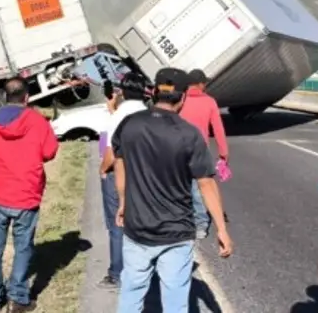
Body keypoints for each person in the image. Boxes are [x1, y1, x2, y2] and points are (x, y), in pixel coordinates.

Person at [112, 67, 233, 312]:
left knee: (131, 293)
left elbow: (119, 163)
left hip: (138, 227)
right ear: (183, 97)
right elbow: (206, 183)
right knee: (175, 301)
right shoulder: (189, 134)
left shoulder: (129, 125)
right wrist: (221, 228)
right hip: (176, 230)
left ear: (155, 92)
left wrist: (124, 203)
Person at [0, 77, 60, 313]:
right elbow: (49, 152)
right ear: (26, 97)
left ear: (5, 97)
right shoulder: (38, 121)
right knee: (23, 246)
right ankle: (18, 298)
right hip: (27, 194)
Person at [95, 76, 149, 290]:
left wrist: (102, 169)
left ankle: (117, 272)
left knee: (117, 224)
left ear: (123, 93)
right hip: (145, 175)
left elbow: (108, 151)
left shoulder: (118, 116)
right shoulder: (148, 113)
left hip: (118, 174)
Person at [180, 69, 228, 239]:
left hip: (178, 148)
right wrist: (223, 153)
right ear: (201, 84)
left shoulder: (181, 99)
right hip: (200, 150)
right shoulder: (209, 102)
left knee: (182, 186)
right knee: (199, 186)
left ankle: (185, 220)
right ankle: (201, 223)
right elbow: (218, 128)